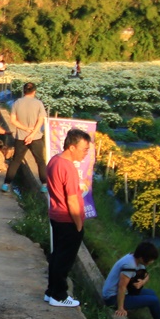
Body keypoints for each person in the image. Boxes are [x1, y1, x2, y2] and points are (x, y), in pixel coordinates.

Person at [44, 128, 91, 308]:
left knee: (57, 256)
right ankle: (59, 294)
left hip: (56, 214)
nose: (85, 154)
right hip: (67, 219)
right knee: (65, 260)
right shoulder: (68, 167)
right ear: (72, 147)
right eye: (84, 149)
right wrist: (79, 224)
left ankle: (51, 291)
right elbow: (71, 200)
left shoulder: (55, 160)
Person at [102, 242, 160, 319]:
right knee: (153, 300)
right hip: (112, 297)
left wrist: (142, 282)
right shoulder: (129, 265)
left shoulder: (135, 258)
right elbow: (121, 287)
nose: (152, 262)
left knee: (151, 293)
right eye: (151, 260)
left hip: (124, 292)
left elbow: (146, 275)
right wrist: (120, 308)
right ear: (143, 258)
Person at [4, 82, 47, 190]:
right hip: (36, 137)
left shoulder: (17, 103)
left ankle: (6, 184)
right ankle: (44, 185)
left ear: (23, 91)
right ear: (34, 91)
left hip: (21, 137)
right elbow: (40, 121)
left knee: (16, 161)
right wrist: (32, 134)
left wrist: (25, 129)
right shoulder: (38, 103)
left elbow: (13, 120)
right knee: (40, 161)